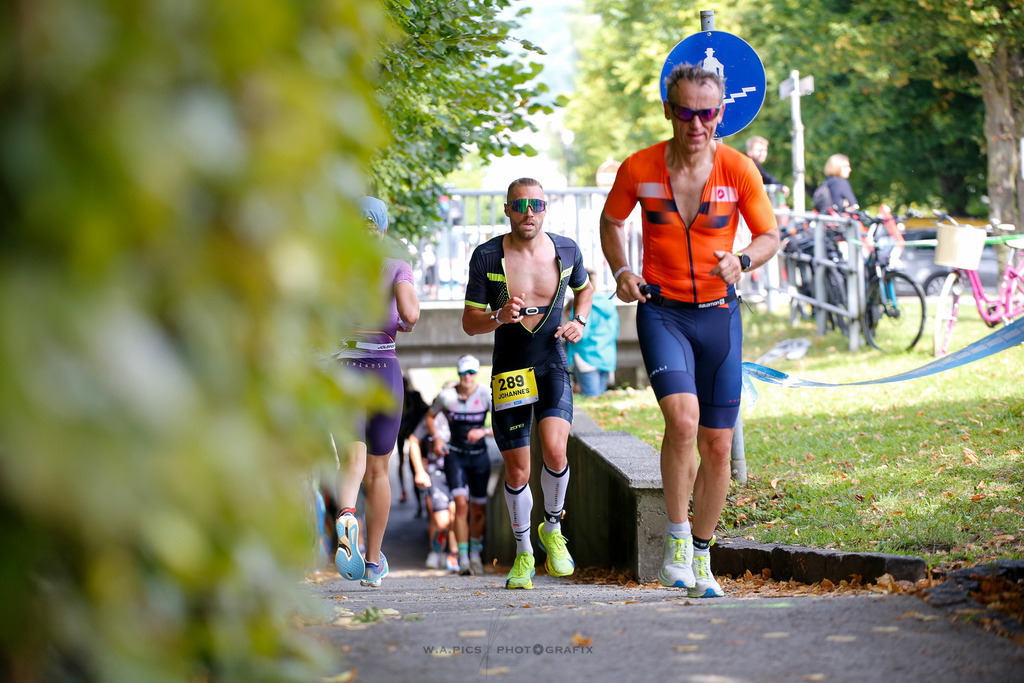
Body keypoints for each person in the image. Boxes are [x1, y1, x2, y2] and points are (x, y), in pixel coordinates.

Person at [599, 64, 779, 598]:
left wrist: (743, 261)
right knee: (682, 420)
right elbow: (612, 222)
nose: (696, 124)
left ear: (720, 113)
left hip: (720, 315)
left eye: (707, 113)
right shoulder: (640, 167)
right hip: (664, 313)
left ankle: (702, 556)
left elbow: (770, 235)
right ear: (668, 110)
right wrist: (622, 270)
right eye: (686, 112)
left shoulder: (739, 168)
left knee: (718, 445)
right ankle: (676, 544)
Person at [463, 177, 594, 590]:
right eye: (519, 206)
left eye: (535, 205)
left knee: (556, 449)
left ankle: (551, 529)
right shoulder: (487, 256)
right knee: (518, 469)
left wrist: (579, 321)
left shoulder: (567, 249)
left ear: (545, 208)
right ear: (507, 210)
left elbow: (586, 289)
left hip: (551, 360)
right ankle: (523, 554)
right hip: (510, 371)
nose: (528, 213)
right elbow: (469, 323)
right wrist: (499, 317)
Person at [330, 196, 420, 588]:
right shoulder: (397, 268)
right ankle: (372, 561)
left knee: (353, 461)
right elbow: (412, 314)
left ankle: (347, 516)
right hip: (384, 369)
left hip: (346, 368)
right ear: (382, 230)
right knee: (380, 470)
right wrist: (402, 316)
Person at [424, 355, 494, 576]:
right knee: (461, 506)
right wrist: (436, 438)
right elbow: (429, 416)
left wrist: (483, 431)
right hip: (455, 457)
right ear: (458, 375)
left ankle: (475, 554)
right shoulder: (446, 397)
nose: (468, 378)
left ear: (477, 374)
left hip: (479, 456)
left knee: (478, 509)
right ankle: (463, 558)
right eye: (464, 373)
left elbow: (503, 423)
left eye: (472, 373)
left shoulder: (486, 395)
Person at [407, 401, 458, 570]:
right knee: (440, 519)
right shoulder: (432, 417)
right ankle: (436, 552)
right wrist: (419, 471)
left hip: (458, 469)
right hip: (436, 470)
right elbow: (413, 440)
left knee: (456, 513)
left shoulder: (463, 413)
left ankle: (454, 554)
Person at [565, 268, 619, 397]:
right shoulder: (609, 304)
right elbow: (615, 331)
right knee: (601, 400)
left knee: (591, 399)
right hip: (606, 356)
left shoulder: (580, 306)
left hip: (586, 357)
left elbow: (578, 334)